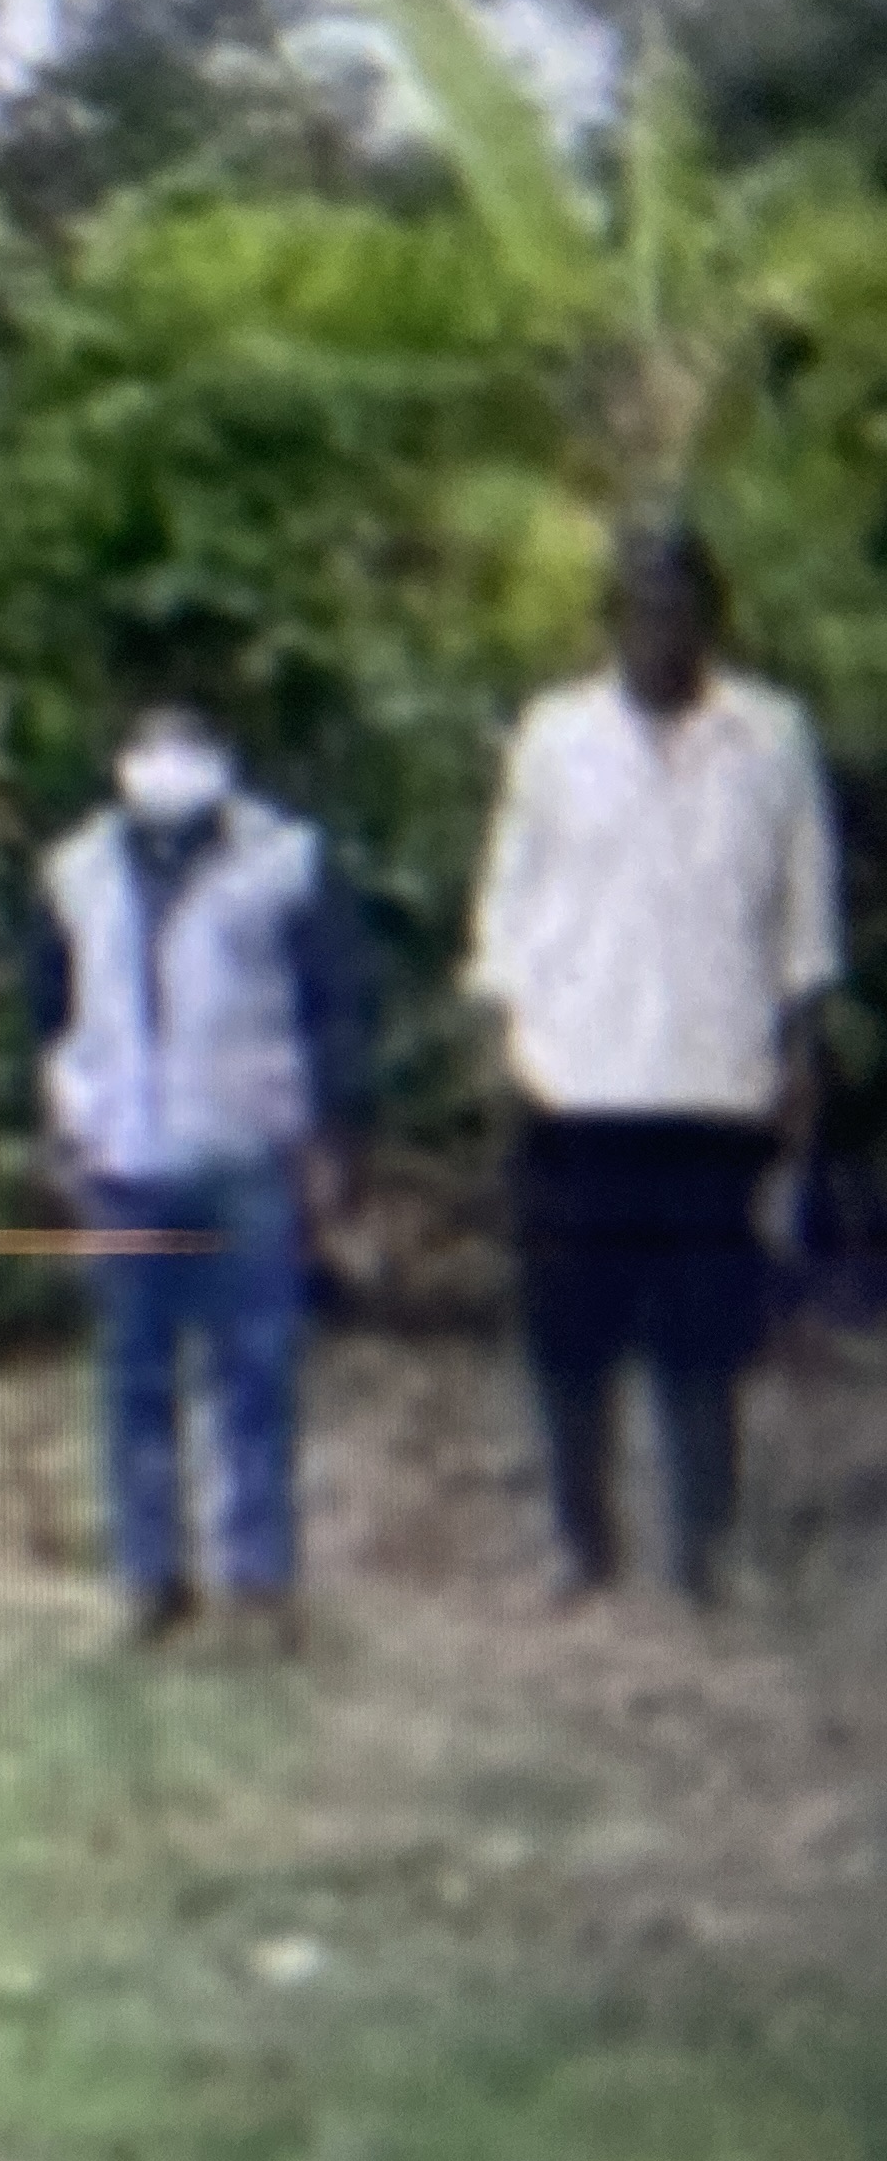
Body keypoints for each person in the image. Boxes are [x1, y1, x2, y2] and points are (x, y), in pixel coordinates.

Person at [468, 523, 842, 1611]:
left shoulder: (770, 737)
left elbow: (803, 914)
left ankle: (702, 1550)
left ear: (712, 620)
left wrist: (799, 1054)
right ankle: (580, 1544)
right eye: (639, 607)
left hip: (716, 1079)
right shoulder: (556, 736)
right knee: (569, 1331)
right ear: (610, 620)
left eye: (680, 608)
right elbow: (510, 899)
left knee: (705, 1332)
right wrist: (501, 1041)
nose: (660, 629)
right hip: (574, 1077)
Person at [33, 702, 377, 1648]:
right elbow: (51, 1011)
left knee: (255, 1375)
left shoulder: (286, 862)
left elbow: (335, 1004)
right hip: (122, 1153)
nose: (167, 764)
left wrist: (334, 1137)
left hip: (245, 1150)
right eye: (148, 746)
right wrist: (62, 1126)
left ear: (224, 760)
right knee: (132, 1380)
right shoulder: (75, 871)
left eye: (187, 746)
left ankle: (258, 1580)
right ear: (119, 761)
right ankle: (148, 1579)